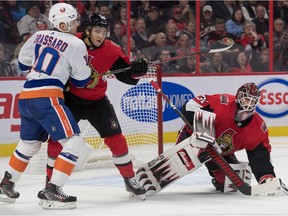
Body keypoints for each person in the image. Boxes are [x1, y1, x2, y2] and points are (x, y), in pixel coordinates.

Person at [37, 13, 148, 203]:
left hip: (98, 102)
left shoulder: (112, 50)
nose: (101, 35)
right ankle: (50, 183)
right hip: (71, 99)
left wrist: (137, 72)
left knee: (117, 140)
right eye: (97, 31)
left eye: (104, 32)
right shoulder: (71, 41)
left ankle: (129, 179)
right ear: (87, 30)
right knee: (57, 141)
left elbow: (127, 77)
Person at [0, 3, 91, 209]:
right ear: (64, 23)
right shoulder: (76, 44)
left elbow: (23, 65)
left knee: (29, 144)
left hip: (26, 96)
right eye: (74, 20)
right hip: (48, 97)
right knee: (75, 144)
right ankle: (53, 190)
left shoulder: (38, 36)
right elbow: (82, 80)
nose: (77, 23)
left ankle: (6, 184)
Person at [176, 82, 285, 192]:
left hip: (219, 152)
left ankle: (220, 169)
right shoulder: (222, 102)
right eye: (247, 99)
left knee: (227, 184)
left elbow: (260, 155)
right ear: (239, 96)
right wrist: (200, 129)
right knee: (183, 160)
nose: (249, 104)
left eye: (253, 101)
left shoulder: (258, 126)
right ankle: (184, 146)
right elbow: (191, 105)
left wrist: (266, 177)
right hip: (196, 139)